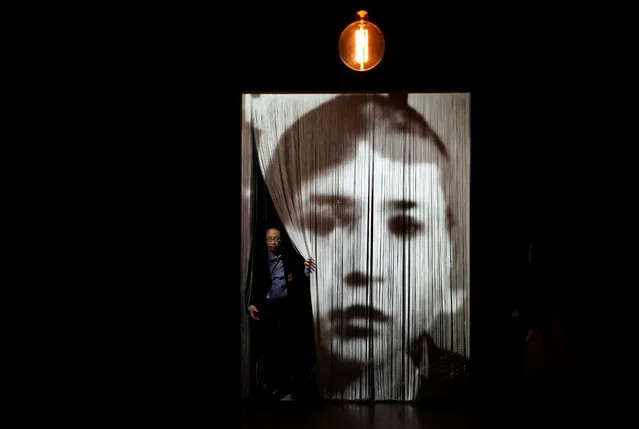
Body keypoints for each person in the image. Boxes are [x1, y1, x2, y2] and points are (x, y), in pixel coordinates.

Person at [260, 94, 469, 401]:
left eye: (404, 225)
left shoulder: (458, 386)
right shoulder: (301, 387)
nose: (364, 267)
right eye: (329, 222)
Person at [247, 227, 316, 401]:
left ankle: (286, 388)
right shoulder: (259, 260)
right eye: (270, 239)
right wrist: (251, 304)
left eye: (276, 239)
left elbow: (300, 278)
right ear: (265, 241)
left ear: (281, 240)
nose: (274, 242)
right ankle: (268, 388)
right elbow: (253, 283)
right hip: (268, 308)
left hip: (286, 308)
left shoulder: (289, 258)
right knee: (269, 349)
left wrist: (307, 269)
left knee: (287, 347)